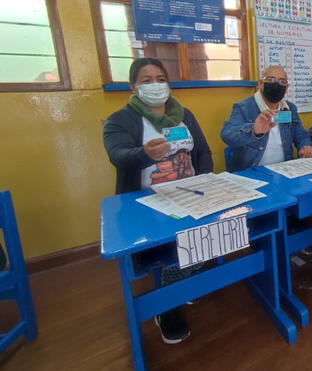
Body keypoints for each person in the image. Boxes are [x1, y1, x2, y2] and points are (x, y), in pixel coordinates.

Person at [103, 58, 213, 344]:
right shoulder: (120, 120)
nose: (156, 85)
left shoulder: (184, 114)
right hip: (148, 205)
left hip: (191, 195)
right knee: (173, 251)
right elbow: (118, 156)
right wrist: (144, 154)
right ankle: (167, 307)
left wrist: (205, 182)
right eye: (147, 80)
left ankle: (182, 279)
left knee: (209, 237)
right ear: (133, 86)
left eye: (161, 78)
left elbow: (202, 152)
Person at [221, 65, 312, 171]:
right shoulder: (243, 107)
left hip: (284, 171)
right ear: (261, 84)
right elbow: (228, 135)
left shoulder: (289, 108)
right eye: (271, 79)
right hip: (252, 172)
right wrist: (254, 130)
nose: (276, 84)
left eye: (282, 81)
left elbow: (301, 135)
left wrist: (306, 146)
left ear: (286, 88)